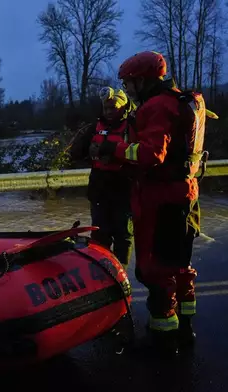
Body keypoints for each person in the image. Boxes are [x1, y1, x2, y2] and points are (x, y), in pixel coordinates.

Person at [92, 51, 216, 356]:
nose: (128, 91)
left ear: (142, 80)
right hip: (187, 190)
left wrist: (115, 148)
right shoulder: (186, 100)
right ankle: (186, 325)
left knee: (153, 267)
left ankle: (164, 332)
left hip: (161, 196)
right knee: (181, 262)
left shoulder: (158, 107)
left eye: (130, 84)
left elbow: (150, 155)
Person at [70, 87, 135, 271]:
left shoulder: (133, 127)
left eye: (113, 108)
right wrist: (84, 148)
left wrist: (109, 149)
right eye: (105, 108)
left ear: (123, 107)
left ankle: (121, 271)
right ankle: (102, 272)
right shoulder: (95, 127)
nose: (108, 112)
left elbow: (141, 155)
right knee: (100, 235)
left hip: (124, 189)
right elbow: (76, 153)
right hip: (99, 191)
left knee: (124, 235)